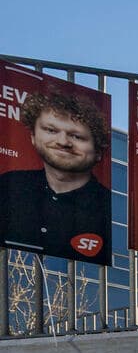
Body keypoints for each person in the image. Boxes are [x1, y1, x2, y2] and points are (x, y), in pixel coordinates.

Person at [0, 86, 113, 262]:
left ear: (98, 151)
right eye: (51, 130)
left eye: (76, 136)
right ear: (33, 137)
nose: (62, 142)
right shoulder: (8, 185)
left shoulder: (108, 208)